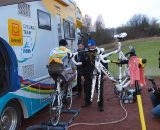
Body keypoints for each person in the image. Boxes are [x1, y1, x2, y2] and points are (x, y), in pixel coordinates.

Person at [81, 39, 104, 112]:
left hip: (98, 74)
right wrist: (82, 75)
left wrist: (105, 75)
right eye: (89, 46)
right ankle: (88, 102)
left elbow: (104, 63)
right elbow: (82, 65)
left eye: (91, 46)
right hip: (88, 74)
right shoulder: (85, 53)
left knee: (99, 90)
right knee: (87, 89)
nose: (90, 47)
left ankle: (100, 105)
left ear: (94, 45)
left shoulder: (99, 52)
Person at [48, 39, 71, 104]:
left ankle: (55, 97)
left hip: (50, 69)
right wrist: (73, 67)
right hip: (59, 68)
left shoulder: (53, 50)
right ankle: (64, 99)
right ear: (65, 44)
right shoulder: (67, 50)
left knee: (57, 81)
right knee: (66, 81)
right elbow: (71, 59)